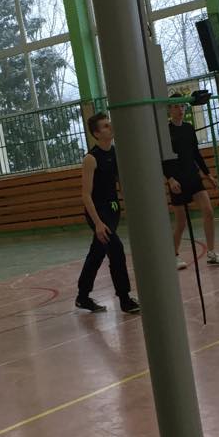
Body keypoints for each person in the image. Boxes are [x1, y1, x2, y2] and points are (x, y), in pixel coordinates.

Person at [75, 112, 140, 315]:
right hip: (98, 212)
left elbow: (122, 184)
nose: (110, 127)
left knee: (97, 253)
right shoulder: (91, 158)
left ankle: (82, 296)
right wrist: (97, 223)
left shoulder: (116, 153)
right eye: (105, 126)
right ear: (96, 133)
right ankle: (124, 299)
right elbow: (86, 195)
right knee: (116, 250)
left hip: (112, 210)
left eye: (109, 124)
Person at [166, 94, 219, 270]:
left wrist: (208, 174)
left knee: (208, 211)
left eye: (182, 106)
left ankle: (212, 252)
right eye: (176, 106)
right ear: (169, 109)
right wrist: (170, 179)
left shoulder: (188, 128)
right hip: (177, 181)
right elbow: (163, 159)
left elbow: (196, 153)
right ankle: (173, 255)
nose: (180, 109)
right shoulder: (165, 131)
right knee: (181, 223)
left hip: (193, 177)